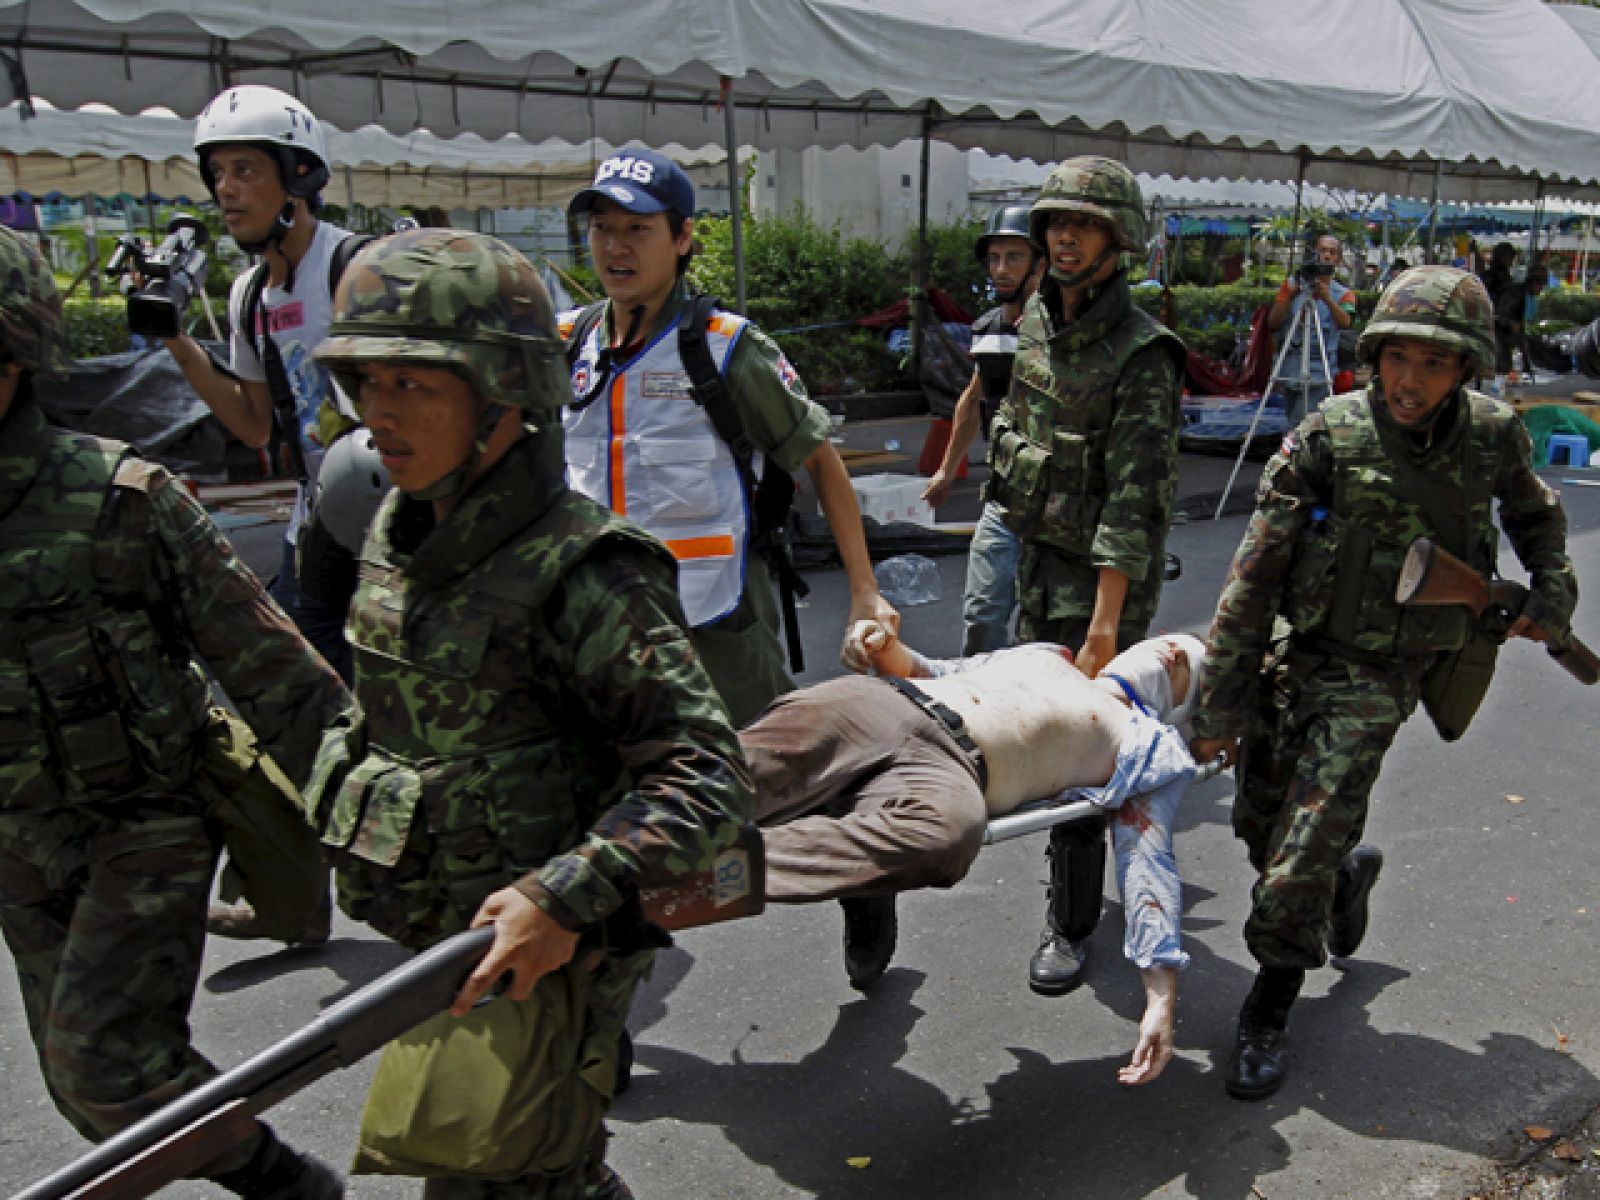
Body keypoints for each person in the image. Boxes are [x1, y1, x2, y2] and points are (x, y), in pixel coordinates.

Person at [307, 228, 752, 1199]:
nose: (378, 414)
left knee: (513, 1172)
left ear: (505, 394)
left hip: (554, 942)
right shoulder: (398, 528)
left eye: (413, 385)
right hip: (443, 932)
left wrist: (561, 897)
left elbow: (706, 774)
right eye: (365, 384)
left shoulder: (582, 569)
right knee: (500, 1172)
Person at [0, 227, 352, 1196]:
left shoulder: (119, 500)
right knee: (96, 1096)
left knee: (103, 1069)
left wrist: (389, 829)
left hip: (145, 819)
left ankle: (290, 1185)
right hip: (22, 839)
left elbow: (282, 677)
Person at [1188, 265, 1578, 1102]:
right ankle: (1344, 879)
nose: (1410, 379)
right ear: (1374, 356)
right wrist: (1217, 705)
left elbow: (1537, 515)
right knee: (1265, 832)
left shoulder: (1491, 434)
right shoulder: (1329, 434)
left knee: (1303, 844)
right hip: (1298, 655)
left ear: (1465, 370)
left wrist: (1551, 590)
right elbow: (1253, 576)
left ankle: (1268, 1007)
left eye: (1434, 364)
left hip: (1384, 674)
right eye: (1398, 357)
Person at [746, 625, 1207, 1085]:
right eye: (1170, 642)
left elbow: (1149, 867)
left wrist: (1160, 1002)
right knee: (715, 786)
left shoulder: (1147, 748)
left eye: (1186, 663)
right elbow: (932, 670)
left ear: (1182, 707)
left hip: (947, 766)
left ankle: (725, 869)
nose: (1170, 651)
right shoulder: (1048, 655)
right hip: (876, 702)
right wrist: (885, 646)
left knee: (948, 835)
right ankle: (686, 833)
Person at [559, 148, 897, 727]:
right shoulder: (567, 344)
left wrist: (864, 592)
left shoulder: (726, 349)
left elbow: (820, 459)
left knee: (753, 789)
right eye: (602, 229)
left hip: (714, 631)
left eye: (638, 229)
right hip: (597, 632)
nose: (616, 248)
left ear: (683, 237)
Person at [153, 84, 365, 943]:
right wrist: (175, 339)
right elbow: (249, 422)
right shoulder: (247, 295)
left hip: (394, 528)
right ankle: (286, 892)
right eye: (217, 174)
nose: (227, 190)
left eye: (246, 169)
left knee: (413, 701)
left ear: (297, 177)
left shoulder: (354, 269)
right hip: (314, 529)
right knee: (290, 706)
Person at [983, 155, 1187, 997]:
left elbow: (1133, 507)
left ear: (1120, 241)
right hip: (1037, 563)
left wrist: (1106, 626)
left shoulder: (1144, 355)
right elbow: (1012, 423)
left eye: (1087, 224)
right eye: (1056, 223)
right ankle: (1077, 905)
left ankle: (1070, 926)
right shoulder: (1037, 320)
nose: (1065, 237)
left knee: (1081, 752)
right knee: (1044, 738)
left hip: (1099, 586)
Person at [921, 203, 1045, 653]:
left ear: (1040, 262)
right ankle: (983, 706)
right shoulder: (989, 328)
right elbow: (973, 399)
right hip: (1004, 493)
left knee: (1044, 628)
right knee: (983, 615)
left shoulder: (1064, 331)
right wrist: (945, 470)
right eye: (994, 258)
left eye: (1013, 257)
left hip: (1056, 501)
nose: (1000, 269)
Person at [1266, 232, 1357, 425]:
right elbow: (1272, 322)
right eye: (1322, 250)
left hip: (1320, 370)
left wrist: (1327, 299)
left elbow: (1346, 322)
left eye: (1331, 252)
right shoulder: (1292, 285)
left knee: (1298, 425)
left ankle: (1292, 453)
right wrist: (1290, 297)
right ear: (1314, 253)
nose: (1326, 256)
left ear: (1338, 259)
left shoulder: (1344, 294)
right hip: (1291, 366)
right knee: (1294, 417)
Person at [1493, 258, 1548, 382]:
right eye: (1540, 286)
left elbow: (1522, 322)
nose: (1541, 290)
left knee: (1521, 351)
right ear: (1533, 284)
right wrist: (1511, 323)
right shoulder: (1514, 293)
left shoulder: (1527, 297)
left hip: (1512, 333)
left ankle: (1521, 372)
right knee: (1502, 366)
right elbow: (1500, 313)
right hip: (1500, 332)